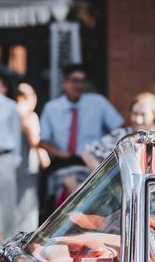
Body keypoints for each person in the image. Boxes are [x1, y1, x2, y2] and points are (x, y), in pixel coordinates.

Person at [38, 63, 124, 219]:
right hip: (63, 161)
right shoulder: (52, 107)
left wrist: (103, 149)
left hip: (90, 161)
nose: (79, 85)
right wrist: (60, 153)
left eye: (82, 81)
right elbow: (42, 141)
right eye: (74, 80)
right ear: (65, 82)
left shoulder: (98, 103)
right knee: (57, 190)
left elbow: (119, 129)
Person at [81, 92, 155, 171]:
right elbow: (86, 153)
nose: (138, 120)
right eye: (135, 114)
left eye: (143, 115)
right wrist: (104, 177)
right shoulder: (121, 135)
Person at [15, 83, 50, 232]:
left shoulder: (8, 112)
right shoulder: (29, 116)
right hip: (27, 166)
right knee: (28, 206)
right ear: (29, 98)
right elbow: (34, 141)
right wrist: (45, 160)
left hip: (10, 166)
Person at [0, 67, 22, 240]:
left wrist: (15, 160)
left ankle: (8, 242)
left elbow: (16, 134)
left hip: (5, 156)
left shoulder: (10, 106)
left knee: (7, 202)